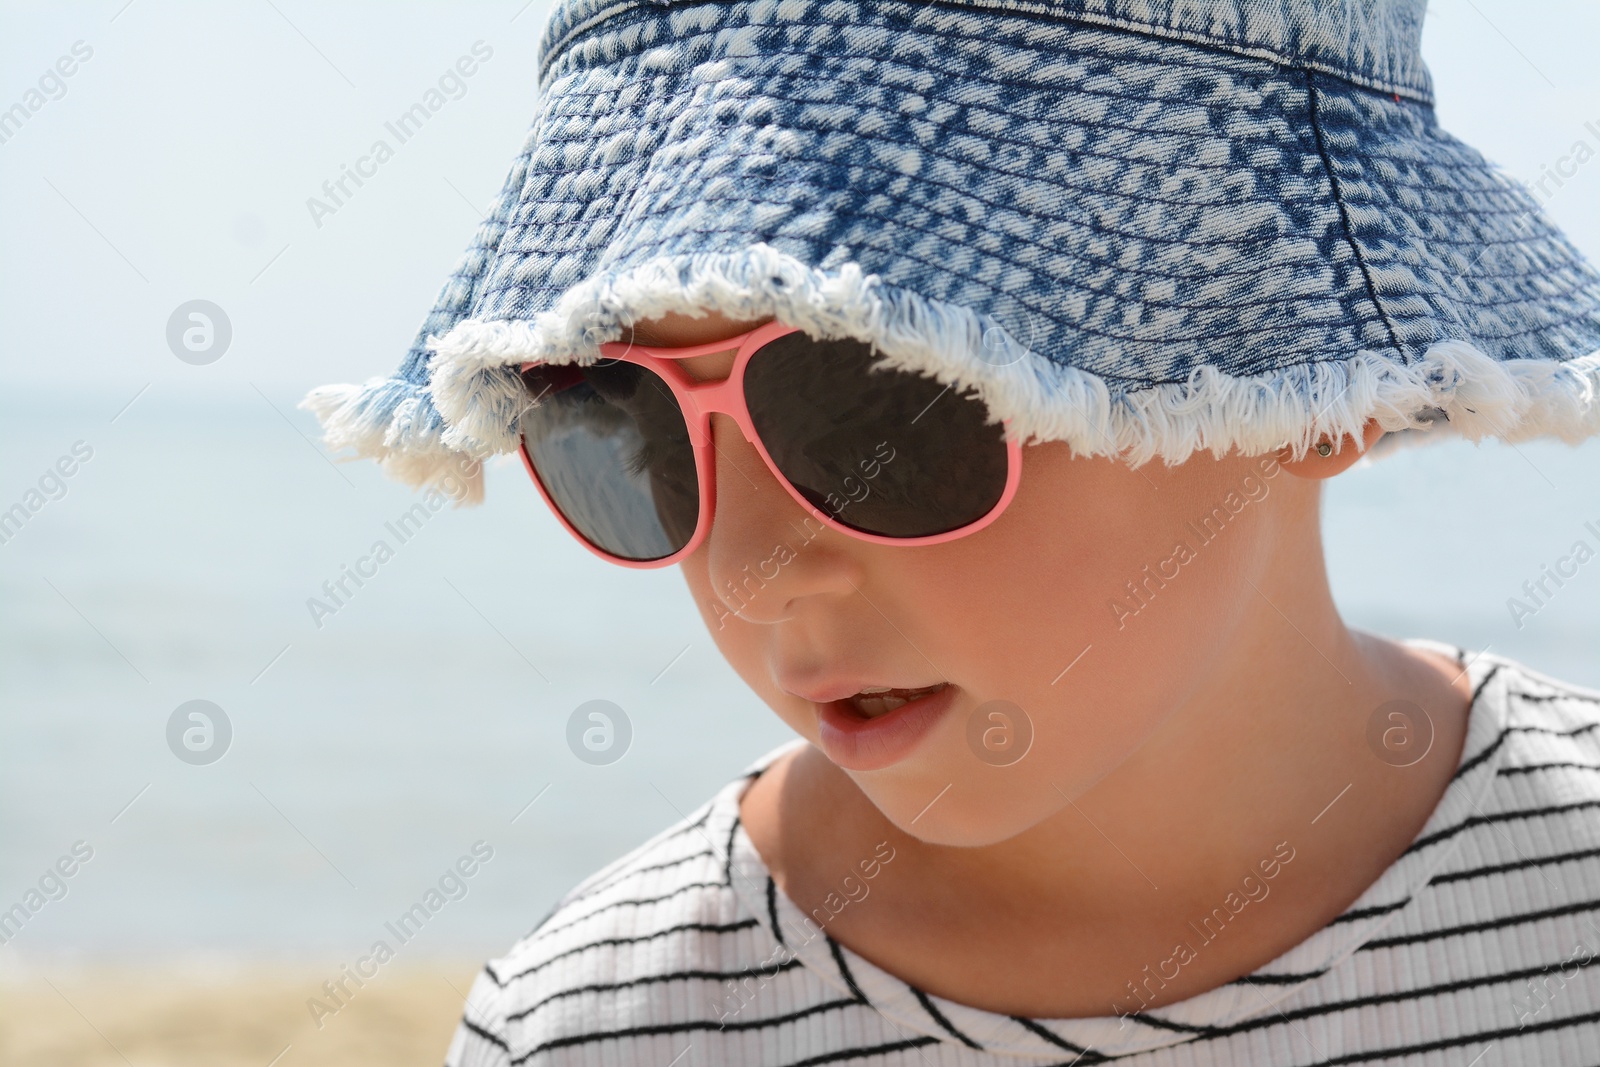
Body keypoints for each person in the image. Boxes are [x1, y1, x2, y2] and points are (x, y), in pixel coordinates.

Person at [305, 0, 1600, 1062]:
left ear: (1312, 378)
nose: (751, 574)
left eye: (877, 400)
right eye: (623, 417)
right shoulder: (598, 1033)